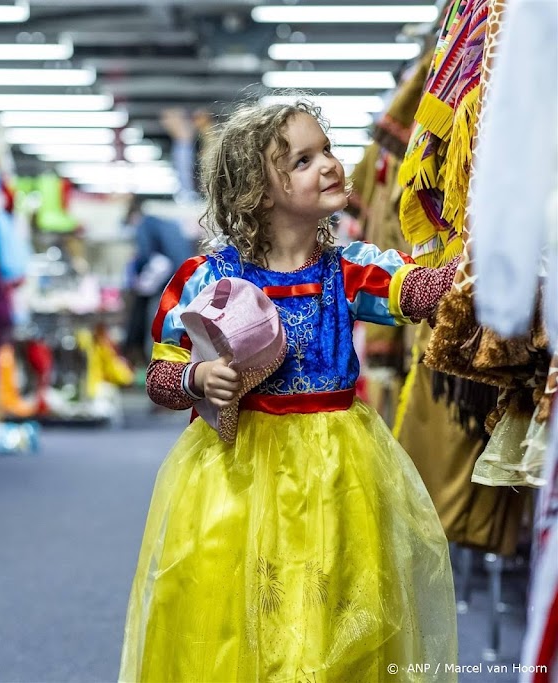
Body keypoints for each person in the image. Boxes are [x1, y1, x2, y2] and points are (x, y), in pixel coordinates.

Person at [119, 100, 459, 682]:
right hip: (235, 472)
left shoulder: (348, 267)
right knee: (239, 607)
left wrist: (477, 263)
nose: (328, 165)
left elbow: (416, 290)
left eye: (326, 149)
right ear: (258, 191)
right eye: (303, 160)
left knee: (333, 600)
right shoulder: (206, 279)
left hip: (336, 470)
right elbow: (161, 376)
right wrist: (198, 378)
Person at [122, 197, 196, 370]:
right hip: (186, 283)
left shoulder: (144, 224)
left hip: (167, 285)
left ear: (133, 217)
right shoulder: (167, 224)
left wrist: (137, 282)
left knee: (157, 330)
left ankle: (157, 374)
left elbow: (147, 256)